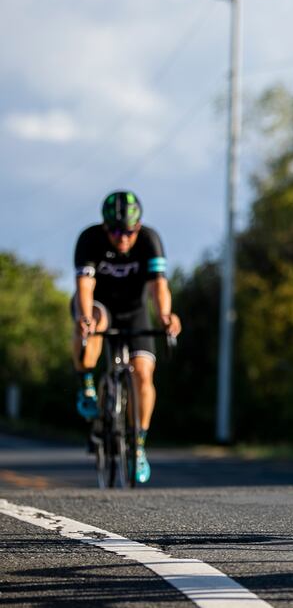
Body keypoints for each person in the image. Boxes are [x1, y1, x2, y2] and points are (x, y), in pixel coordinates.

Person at [73, 190, 182, 484]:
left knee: (144, 374)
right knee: (93, 322)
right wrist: (84, 319)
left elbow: (159, 287)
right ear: (105, 227)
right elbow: (84, 285)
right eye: (116, 232)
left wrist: (165, 316)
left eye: (130, 231)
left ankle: (139, 445)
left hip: (134, 310)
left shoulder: (150, 240)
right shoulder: (90, 239)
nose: (123, 238)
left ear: (139, 227)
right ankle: (87, 385)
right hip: (99, 305)